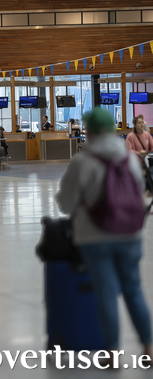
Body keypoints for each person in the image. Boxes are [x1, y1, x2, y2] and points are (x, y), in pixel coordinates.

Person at [56, 108, 152, 366]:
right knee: (134, 290)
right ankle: (149, 348)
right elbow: (140, 191)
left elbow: (65, 204)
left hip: (95, 236)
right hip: (131, 233)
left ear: (88, 130)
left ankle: (112, 353)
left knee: (106, 293)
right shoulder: (130, 159)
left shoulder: (82, 161)